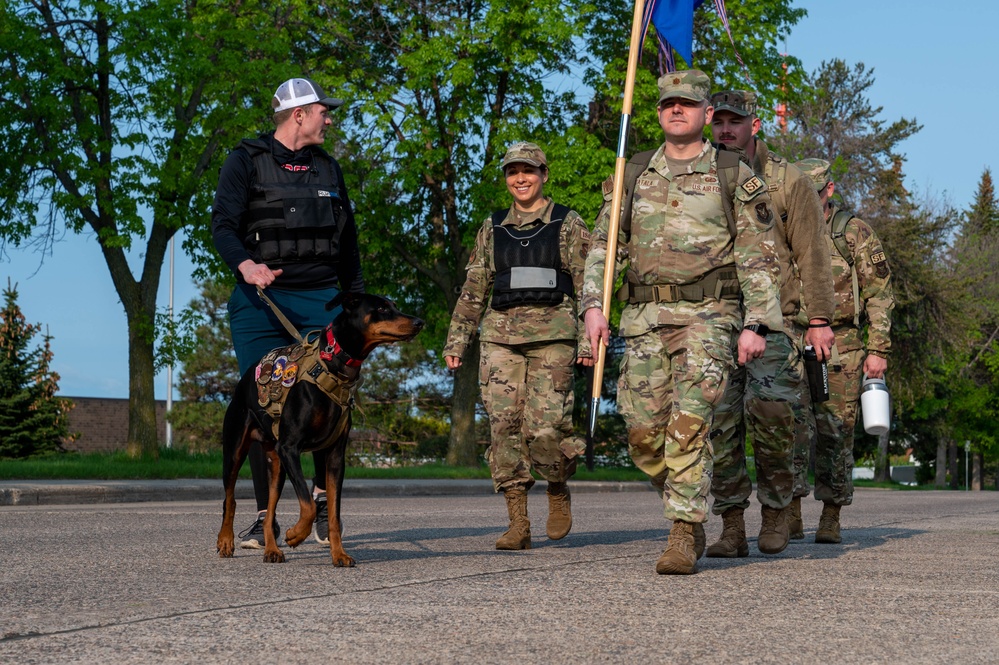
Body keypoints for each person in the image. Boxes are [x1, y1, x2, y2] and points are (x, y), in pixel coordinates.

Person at [583, 70, 783, 575]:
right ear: (657, 113)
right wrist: (592, 306)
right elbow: (606, 248)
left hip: (708, 318)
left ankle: (681, 528)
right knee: (643, 430)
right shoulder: (633, 174)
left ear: (706, 115)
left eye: (689, 104)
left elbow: (758, 255)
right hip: (644, 317)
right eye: (669, 103)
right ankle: (686, 506)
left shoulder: (733, 173)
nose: (678, 110)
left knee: (689, 424)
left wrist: (756, 324)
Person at [212, 77, 365, 549]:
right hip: (262, 304)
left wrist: (355, 299)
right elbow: (222, 225)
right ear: (299, 114)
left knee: (329, 400)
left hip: (320, 302)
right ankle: (265, 516)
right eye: (324, 110)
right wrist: (246, 264)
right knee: (265, 405)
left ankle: (321, 506)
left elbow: (349, 243)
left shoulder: (329, 169)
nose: (330, 118)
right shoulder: (245, 161)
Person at [704, 90, 836, 557]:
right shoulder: (701, 176)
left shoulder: (787, 180)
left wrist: (819, 320)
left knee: (775, 418)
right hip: (717, 319)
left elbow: (812, 253)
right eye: (717, 121)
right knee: (720, 424)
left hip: (776, 321)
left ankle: (778, 512)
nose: (725, 130)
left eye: (734, 121)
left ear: (754, 125)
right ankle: (733, 524)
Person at [443, 141, 592, 551]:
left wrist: (588, 339)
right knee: (503, 427)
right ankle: (518, 522)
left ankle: (557, 485)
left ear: (544, 174)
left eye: (528, 170)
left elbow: (588, 286)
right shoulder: (492, 228)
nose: (520, 178)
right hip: (500, 339)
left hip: (554, 338)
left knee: (547, 429)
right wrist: (458, 339)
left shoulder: (568, 223)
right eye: (513, 172)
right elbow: (474, 288)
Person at [793, 158, 894, 543]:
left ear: (829, 191)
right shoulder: (782, 228)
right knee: (790, 429)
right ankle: (791, 511)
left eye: (813, 196)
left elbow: (880, 294)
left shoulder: (853, 233)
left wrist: (878, 349)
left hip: (843, 345)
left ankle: (831, 515)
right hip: (793, 339)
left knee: (835, 432)